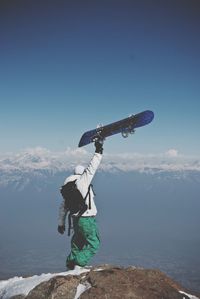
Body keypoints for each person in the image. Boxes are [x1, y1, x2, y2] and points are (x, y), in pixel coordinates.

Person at [57, 140, 103, 270]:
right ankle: (79, 262)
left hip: (76, 220)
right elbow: (92, 167)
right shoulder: (83, 181)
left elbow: (63, 207)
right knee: (94, 243)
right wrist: (99, 151)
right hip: (87, 219)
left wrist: (61, 224)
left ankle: (71, 263)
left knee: (77, 242)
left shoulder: (69, 189)